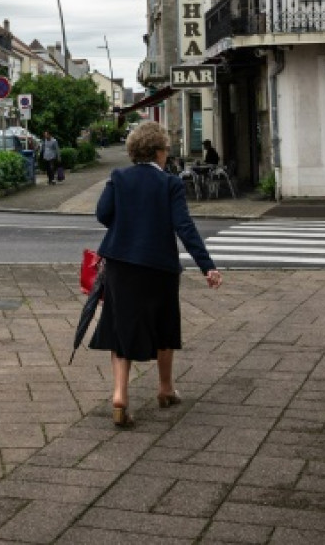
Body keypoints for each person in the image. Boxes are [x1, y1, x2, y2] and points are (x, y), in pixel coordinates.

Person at [88, 120, 222, 428]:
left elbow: (102, 214)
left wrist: (127, 228)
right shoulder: (170, 183)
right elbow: (184, 228)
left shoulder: (118, 177)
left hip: (121, 263)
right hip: (159, 266)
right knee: (164, 324)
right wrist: (207, 266)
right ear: (159, 152)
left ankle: (120, 394)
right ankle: (164, 389)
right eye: (166, 150)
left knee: (121, 326)